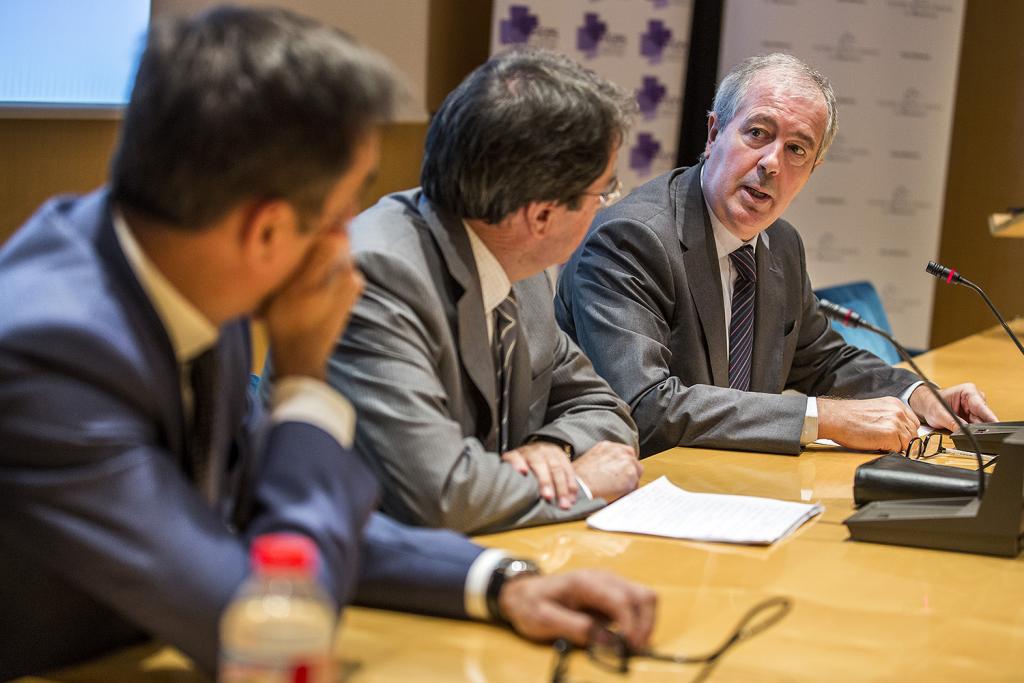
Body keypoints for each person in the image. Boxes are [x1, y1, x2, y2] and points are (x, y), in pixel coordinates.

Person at [0, 9, 656, 679]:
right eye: (345, 215)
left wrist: (500, 581)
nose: (355, 244)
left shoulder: (191, 272)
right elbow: (271, 619)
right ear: (266, 233)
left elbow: (270, 510)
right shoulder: (48, 354)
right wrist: (305, 382)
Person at [555, 52, 996, 457]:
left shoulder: (780, 244)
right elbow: (644, 405)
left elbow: (821, 359)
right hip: (638, 490)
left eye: (796, 150)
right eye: (757, 133)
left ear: (812, 171)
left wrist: (917, 394)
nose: (771, 163)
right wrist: (822, 418)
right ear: (714, 134)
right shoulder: (632, 239)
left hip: (739, 483)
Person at [319, 50, 643, 534]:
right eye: (605, 190)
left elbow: (603, 410)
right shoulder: (376, 278)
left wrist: (552, 452)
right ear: (541, 216)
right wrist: (578, 482)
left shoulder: (518, 259)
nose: (604, 206)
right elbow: (441, 495)